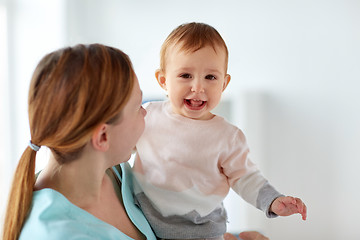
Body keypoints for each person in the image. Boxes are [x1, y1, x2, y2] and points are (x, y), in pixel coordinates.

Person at [1, 43, 268, 240]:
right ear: (103, 136)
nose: (146, 112)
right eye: (138, 107)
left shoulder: (119, 176)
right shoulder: (55, 233)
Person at [132, 22, 307, 240]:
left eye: (210, 77)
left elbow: (245, 177)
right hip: (141, 223)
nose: (198, 87)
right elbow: (121, 144)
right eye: (186, 75)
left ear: (224, 84)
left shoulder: (227, 137)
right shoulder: (147, 115)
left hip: (201, 232)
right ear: (163, 80)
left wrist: (273, 201)